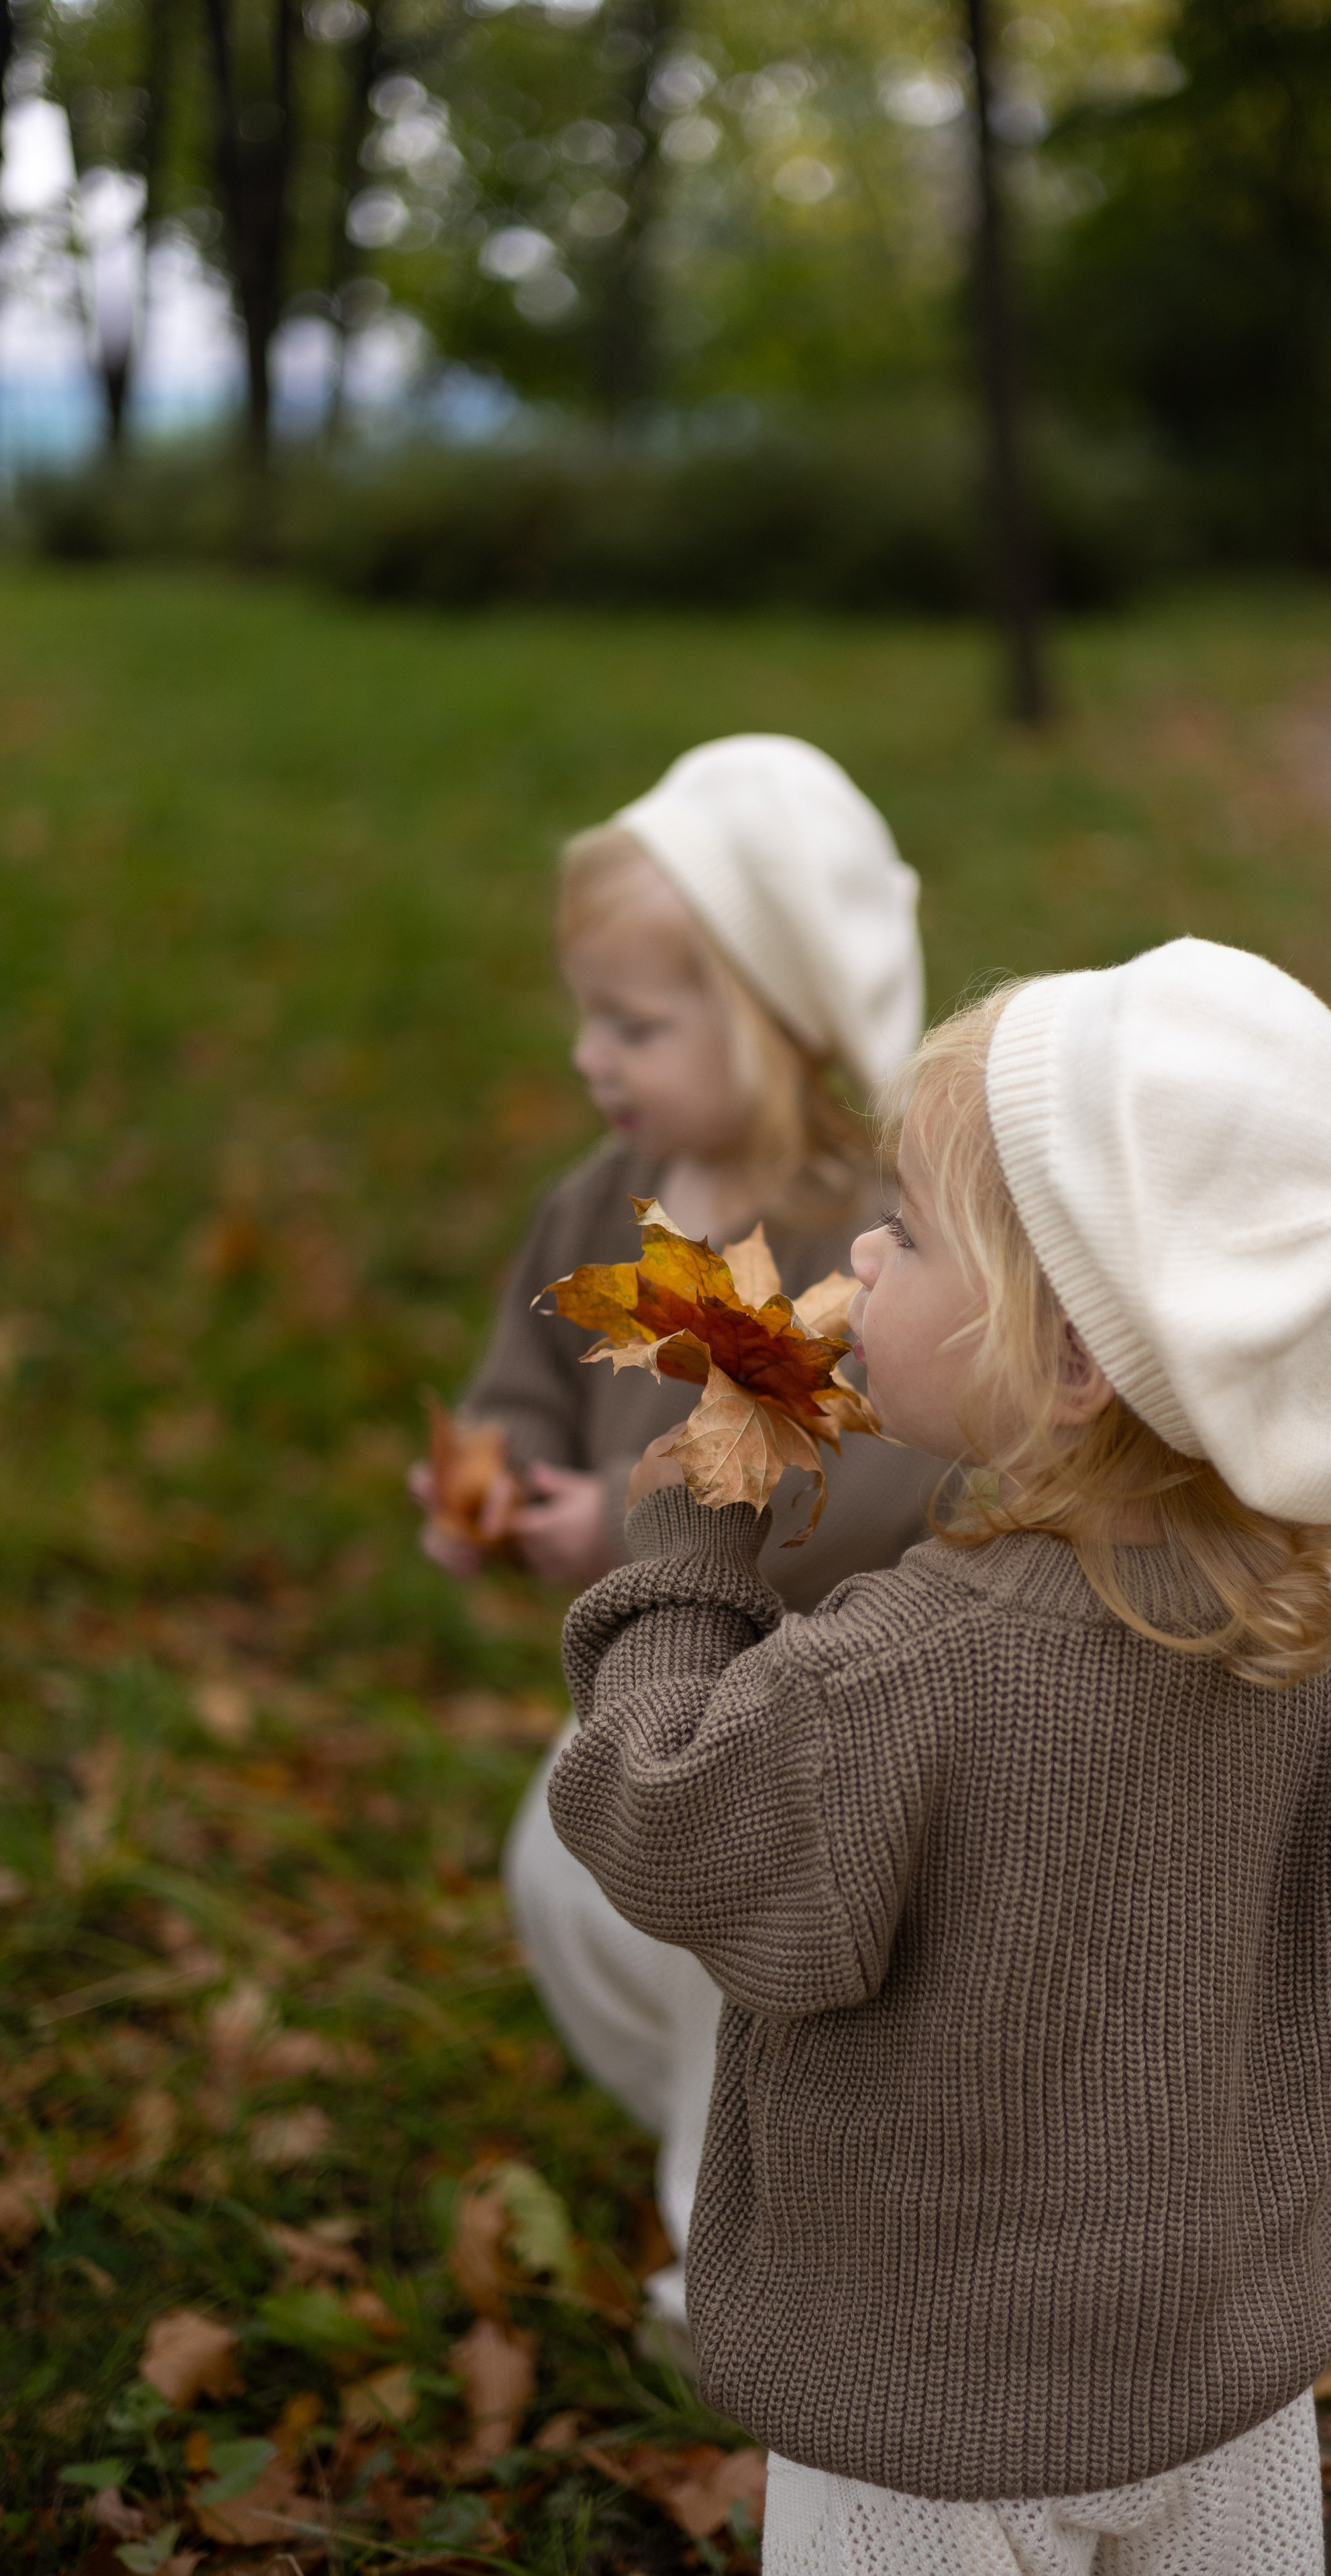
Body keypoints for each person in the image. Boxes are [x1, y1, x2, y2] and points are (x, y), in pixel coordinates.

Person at [549, 937, 1331, 2575]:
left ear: (1076, 1357)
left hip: (921, 2423)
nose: (861, 1258)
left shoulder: (903, 1671)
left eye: (910, 1232)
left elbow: (663, 1819)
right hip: (1221, 2394)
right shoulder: (1315, 1650)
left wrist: (689, 1553)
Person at [411, 734, 941, 2349]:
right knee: (564, 1878)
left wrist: (637, 1531)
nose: (590, 1054)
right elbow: (519, 1370)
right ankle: (737, 2133)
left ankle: (741, 2267)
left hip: (803, 1722)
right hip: (640, 1694)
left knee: (733, 1962)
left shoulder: (862, 1243)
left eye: (633, 1023)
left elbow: (871, 1483)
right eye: (588, 1012)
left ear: (775, 1016)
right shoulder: (606, 1203)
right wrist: (488, 1478)